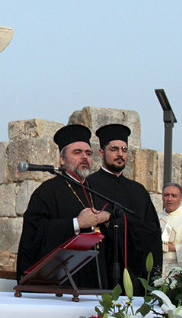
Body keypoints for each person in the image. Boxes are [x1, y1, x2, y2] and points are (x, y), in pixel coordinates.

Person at [17, 124, 111, 288]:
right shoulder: (47, 191)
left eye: (88, 153)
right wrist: (76, 223)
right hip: (61, 280)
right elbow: (34, 233)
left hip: (95, 276)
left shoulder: (98, 190)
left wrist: (108, 217)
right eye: (77, 152)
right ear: (62, 159)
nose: (84, 157)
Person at [86, 124, 163, 291]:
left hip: (137, 272)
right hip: (103, 267)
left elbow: (152, 230)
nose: (120, 154)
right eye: (114, 149)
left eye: (124, 149)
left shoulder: (138, 190)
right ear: (101, 153)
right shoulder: (89, 184)